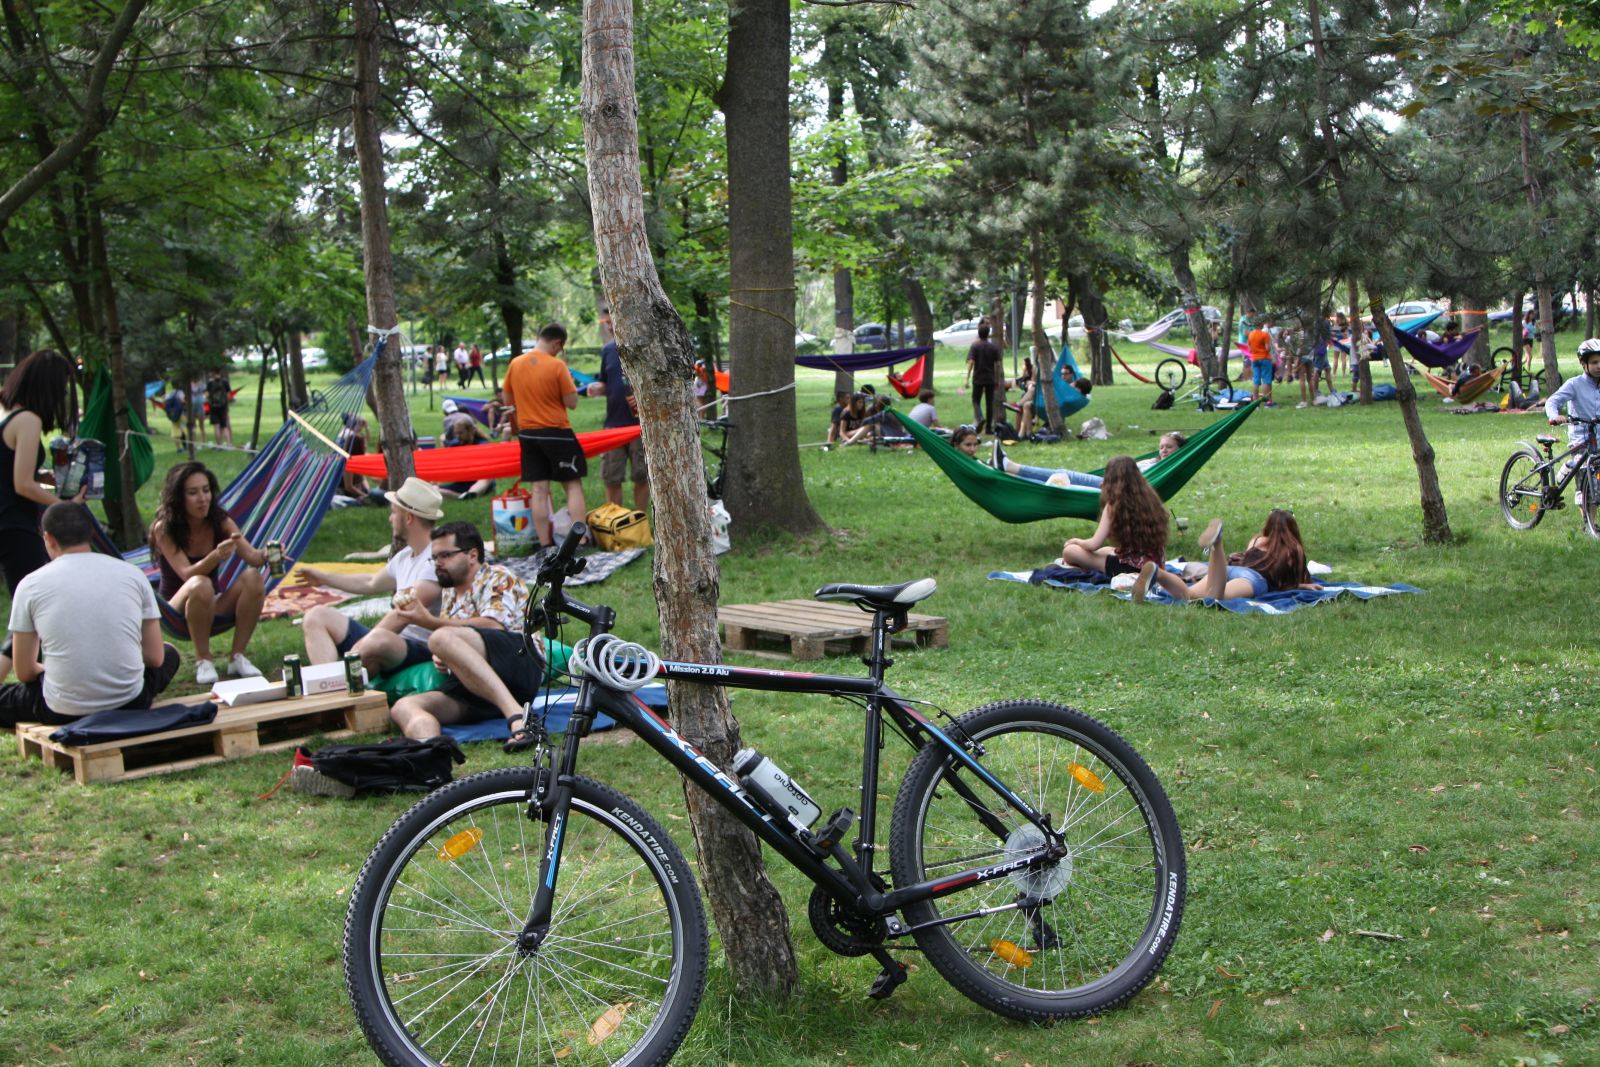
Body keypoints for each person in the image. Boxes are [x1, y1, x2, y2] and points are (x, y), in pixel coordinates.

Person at [0, 502, 181, 727]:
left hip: (62, 709)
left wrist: (55, 671)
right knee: (170, 653)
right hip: (131, 701)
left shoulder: (31, 585)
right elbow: (155, 658)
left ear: (48, 538)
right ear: (92, 534)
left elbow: (25, 672)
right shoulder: (133, 574)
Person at [387, 521, 546, 751]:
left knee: (440, 637)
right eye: (434, 558)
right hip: (478, 688)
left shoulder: (498, 576)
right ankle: (430, 753)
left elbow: (494, 626)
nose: (437, 564)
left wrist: (432, 626)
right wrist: (446, 658)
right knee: (404, 706)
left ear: (472, 555)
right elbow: (456, 639)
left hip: (521, 665)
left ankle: (519, 717)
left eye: (445, 556)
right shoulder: (450, 592)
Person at [298, 477, 444, 676]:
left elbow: (403, 613)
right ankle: (328, 684)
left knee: (378, 641)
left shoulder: (435, 560)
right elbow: (370, 582)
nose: (390, 519)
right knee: (316, 615)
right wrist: (322, 578)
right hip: (389, 639)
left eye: (393, 513)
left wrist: (363, 644)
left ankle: (344, 681)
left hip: (418, 647)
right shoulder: (404, 556)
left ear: (408, 518)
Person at [149, 461, 267, 684]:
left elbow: (252, 556)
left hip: (210, 602)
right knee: (200, 582)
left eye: (206, 490)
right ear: (178, 498)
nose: (202, 498)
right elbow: (186, 574)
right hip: (174, 607)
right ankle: (203, 659)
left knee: (253, 577)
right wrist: (215, 556)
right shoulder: (164, 528)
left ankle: (237, 657)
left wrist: (269, 554)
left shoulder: (220, 521)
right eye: (193, 493)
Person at [500, 322, 587, 547]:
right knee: (572, 484)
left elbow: (508, 400)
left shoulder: (515, 364)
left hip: (528, 434)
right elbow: (572, 402)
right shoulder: (557, 366)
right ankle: (581, 539)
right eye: (560, 347)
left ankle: (544, 542)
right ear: (557, 343)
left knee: (539, 489)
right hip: (557, 432)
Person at [0, 350, 77, 598]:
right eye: (61, 389)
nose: (62, 397)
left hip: (7, 522)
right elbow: (22, 484)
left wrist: (41, 475)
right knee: (33, 608)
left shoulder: (6, 411)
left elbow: (7, 465)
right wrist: (66, 507)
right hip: (15, 526)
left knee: (27, 608)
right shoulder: (28, 420)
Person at [1057, 456, 1172, 603]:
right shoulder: (1151, 499)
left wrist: (1076, 541)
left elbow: (1093, 544)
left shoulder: (1114, 505)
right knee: (1105, 550)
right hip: (1156, 565)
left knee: (1070, 551)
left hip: (1131, 569)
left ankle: (1078, 563)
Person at [1165, 510, 1321, 602]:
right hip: (1252, 578)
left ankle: (1157, 574)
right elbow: (1287, 581)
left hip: (1229, 569)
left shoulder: (1256, 540)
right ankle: (1217, 544)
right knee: (1217, 598)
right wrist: (1303, 585)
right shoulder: (1293, 549)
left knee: (1190, 595)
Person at [586, 314, 648, 511]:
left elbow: (658, 385)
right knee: (611, 478)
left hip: (638, 425)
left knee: (642, 475)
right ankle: (616, 524)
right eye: (607, 323)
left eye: (613, 322)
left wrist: (642, 398)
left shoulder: (643, 348)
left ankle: (639, 523)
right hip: (613, 425)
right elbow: (606, 383)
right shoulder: (608, 350)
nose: (610, 327)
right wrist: (598, 388)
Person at [991, 431, 1187, 488]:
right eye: (1161, 446)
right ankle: (1009, 473)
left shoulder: (1166, 469)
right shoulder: (1154, 462)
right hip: (1109, 481)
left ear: (1179, 450)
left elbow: (1139, 484)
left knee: (1063, 475)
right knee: (1057, 480)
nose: (1164, 450)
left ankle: (1009, 466)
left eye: (1169, 447)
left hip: (1112, 488)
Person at [1544, 338, 1600, 485]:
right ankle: (1572, 469)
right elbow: (1552, 401)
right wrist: (1554, 416)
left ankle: (1569, 467)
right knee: (1587, 487)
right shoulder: (1574, 384)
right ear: (1583, 364)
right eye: (1594, 362)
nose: (1599, 366)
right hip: (1582, 442)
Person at [438, 400, 496, 499]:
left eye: (461, 433)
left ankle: (472, 493)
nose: (458, 436)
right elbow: (445, 451)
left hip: (479, 481)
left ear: (471, 431)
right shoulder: (455, 444)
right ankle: (461, 496)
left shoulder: (482, 445)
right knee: (433, 488)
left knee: (486, 478)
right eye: (456, 433)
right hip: (462, 482)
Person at [964, 324, 1003, 434]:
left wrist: (967, 378)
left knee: (975, 400)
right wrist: (997, 380)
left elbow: (971, 362)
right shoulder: (993, 347)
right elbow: (998, 365)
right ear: (988, 334)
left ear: (979, 333)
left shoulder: (975, 346)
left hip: (978, 378)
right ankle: (988, 429)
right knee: (989, 402)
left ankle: (980, 417)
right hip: (990, 378)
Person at [1246, 315, 1276, 406]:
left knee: (1256, 380)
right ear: (1261, 324)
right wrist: (1270, 346)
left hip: (1254, 359)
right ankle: (1267, 402)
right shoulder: (1265, 334)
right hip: (1265, 358)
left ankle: (1255, 402)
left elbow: (1250, 349)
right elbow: (1267, 348)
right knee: (1266, 380)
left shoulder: (1250, 334)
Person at [205, 368, 233, 446]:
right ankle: (228, 444)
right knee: (224, 426)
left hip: (213, 407)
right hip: (223, 407)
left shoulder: (210, 383)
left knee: (216, 426)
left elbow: (206, 395)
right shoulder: (224, 382)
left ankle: (219, 444)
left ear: (213, 373)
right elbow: (229, 395)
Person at [1013, 358, 1037, 437]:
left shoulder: (1034, 368)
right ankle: (1017, 432)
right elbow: (1023, 378)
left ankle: (1018, 404)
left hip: (1036, 394)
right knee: (1022, 407)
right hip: (1030, 393)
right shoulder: (1026, 369)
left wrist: (1030, 383)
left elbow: (1034, 381)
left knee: (1023, 404)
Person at [163, 382, 189, 449]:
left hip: (173, 415)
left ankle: (178, 448)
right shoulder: (180, 393)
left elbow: (165, 402)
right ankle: (186, 446)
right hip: (181, 414)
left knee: (176, 432)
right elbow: (183, 401)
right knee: (184, 430)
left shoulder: (169, 393)